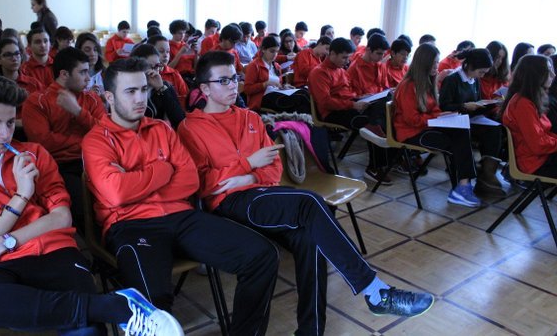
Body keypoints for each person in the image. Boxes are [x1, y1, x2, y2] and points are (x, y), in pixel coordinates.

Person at [178, 51, 434, 336]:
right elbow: (204, 184)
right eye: (223, 80)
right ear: (204, 89)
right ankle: (375, 291)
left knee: (309, 239)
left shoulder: (250, 117)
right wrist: (248, 164)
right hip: (229, 204)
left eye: (234, 78)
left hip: (262, 192)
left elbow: (274, 166)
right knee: (309, 202)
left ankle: (311, 331)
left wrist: (248, 176)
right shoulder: (190, 127)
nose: (232, 85)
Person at [0, 73, 183, 336]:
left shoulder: (35, 154)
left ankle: (79, 309)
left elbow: (61, 218)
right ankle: (111, 307)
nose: (4, 134)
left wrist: (4, 241)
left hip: (53, 253)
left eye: (10, 123)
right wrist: (22, 196)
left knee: (86, 332)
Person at [81, 57, 278, 335]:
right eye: (131, 91)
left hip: (182, 216)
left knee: (262, 255)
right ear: (109, 97)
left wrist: (135, 181)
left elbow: (189, 181)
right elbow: (117, 193)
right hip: (131, 225)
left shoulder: (162, 129)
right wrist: (163, 170)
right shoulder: (96, 140)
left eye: (144, 89)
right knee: (154, 308)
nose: (140, 98)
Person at [22, 48, 106, 232]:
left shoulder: (92, 99)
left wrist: (78, 112)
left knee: (115, 199)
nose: (88, 78)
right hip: (58, 166)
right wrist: (85, 141)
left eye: (88, 72)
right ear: (64, 74)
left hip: (95, 161)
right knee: (82, 206)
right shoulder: (37, 101)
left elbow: (106, 135)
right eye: (83, 72)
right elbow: (44, 143)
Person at [394, 44, 483, 207]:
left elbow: (434, 109)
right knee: (457, 141)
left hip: (426, 126)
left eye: (437, 62)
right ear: (424, 63)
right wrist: (435, 117)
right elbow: (412, 120)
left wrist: (442, 115)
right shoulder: (408, 86)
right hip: (411, 133)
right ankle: (463, 187)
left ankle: (463, 186)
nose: (437, 66)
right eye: (434, 62)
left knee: (461, 131)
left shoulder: (427, 82)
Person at [308, 38, 392, 184]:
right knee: (369, 121)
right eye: (344, 57)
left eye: (348, 57)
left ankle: (384, 162)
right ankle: (374, 167)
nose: (347, 61)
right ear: (332, 54)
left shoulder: (341, 70)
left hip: (347, 107)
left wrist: (359, 98)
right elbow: (325, 102)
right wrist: (353, 104)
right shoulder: (319, 72)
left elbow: (348, 93)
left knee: (382, 110)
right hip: (331, 113)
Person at [439, 48, 507, 196]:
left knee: (496, 128)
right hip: (454, 121)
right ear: (470, 66)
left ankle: (487, 173)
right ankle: (480, 176)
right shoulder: (452, 79)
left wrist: (489, 104)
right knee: (480, 133)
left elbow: (477, 102)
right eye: (481, 72)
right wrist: (463, 106)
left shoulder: (475, 80)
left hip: (471, 118)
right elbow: (443, 106)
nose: (482, 75)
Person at [502, 54, 557, 178]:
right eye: (548, 71)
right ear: (535, 75)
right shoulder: (522, 103)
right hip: (534, 163)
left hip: (541, 157)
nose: (553, 75)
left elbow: (544, 135)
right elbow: (538, 145)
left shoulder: (530, 99)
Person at [244, 36, 310, 113]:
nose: (275, 54)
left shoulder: (277, 66)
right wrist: (265, 84)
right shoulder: (254, 65)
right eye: (272, 51)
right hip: (262, 99)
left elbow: (278, 85)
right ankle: (303, 119)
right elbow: (247, 89)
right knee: (300, 99)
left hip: (276, 94)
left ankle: (303, 119)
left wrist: (284, 86)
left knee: (304, 93)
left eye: (277, 51)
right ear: (263, 49)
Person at [131, 44, 186, 129]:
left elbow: (179, 120)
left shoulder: (165, 86)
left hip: (162, 134)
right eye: (148, 67)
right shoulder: (129, 90)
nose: (154, 71)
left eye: (157, 66)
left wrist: (161, 89)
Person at [147, 34, 188, 108]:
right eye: (161, 51)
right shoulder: (144, 74)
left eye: (168, 51)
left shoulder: (174, 74)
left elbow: (184, 98)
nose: (166, 55)